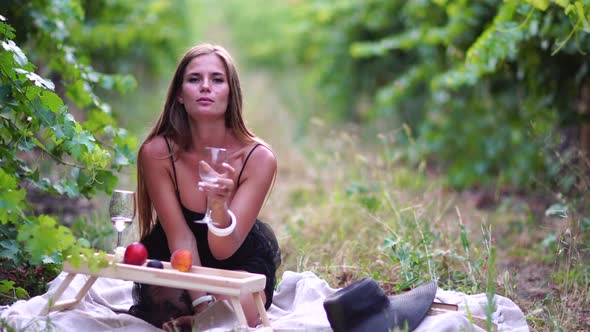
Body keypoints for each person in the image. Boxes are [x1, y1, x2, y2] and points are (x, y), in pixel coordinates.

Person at [128, 43, 281, 329]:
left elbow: (224, 250)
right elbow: (181, 238)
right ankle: (202, 322)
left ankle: (201, 324)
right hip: (178, 255)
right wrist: (201, 303)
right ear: (180, 95)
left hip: (235, 253)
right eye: (194, 79)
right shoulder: (157, 153)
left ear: (231, 93)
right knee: (166, 300)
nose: (206, 87)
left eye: (217, 80)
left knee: (244, 308)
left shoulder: (258, 158)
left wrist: (219, 206)